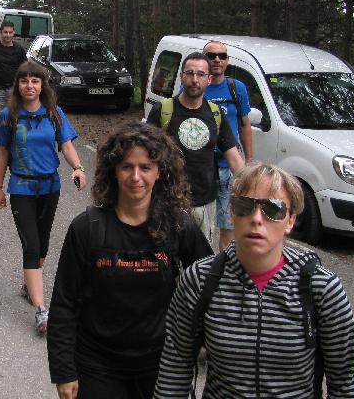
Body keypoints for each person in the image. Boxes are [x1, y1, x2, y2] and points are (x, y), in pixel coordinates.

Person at [154, 162, 354, 398]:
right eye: (244, 206)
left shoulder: (321, 288)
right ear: (231, 213)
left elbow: (345, 382)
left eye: (273, 209)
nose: (256, 218)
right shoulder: (200, 280)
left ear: (290, 221)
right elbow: (175, 366)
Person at [47, 122, 212, 399]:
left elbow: (212, 284)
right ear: (114, 170)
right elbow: (64, 303)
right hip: (97, 364)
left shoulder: (178, 226)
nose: (136, 177)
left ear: (160, 171)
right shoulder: (87, 228)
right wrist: (63, 370)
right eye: (126, 166)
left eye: (145, 167)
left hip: (163, 364)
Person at [0, 62, 87, 335]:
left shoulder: (54, 114)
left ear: (42, 86)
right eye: (24, 81)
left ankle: (28, 285)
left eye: (35, 81)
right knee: (31, 246)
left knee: (43, 244)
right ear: (18, 85)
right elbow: (2, 153)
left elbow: (66, 145)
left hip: (50, 187)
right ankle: (42, 310)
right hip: (21, 187)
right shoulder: (7, 116)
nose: (30, 86)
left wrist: (78, 168)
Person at [147, 51, 244, 247]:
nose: (194, 79)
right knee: (164, 262)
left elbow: (234, 159)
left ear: (209, 79)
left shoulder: (215, 114)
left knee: (200, 266)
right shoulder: (163, 110)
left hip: (204, 202)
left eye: (200, 74)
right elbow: (144, 155)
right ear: (181, 76)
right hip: (167, 202)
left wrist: (252, 189)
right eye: (189, 73)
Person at [203, 40, 253, 250]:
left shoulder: (236, 88)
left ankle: (222, 269)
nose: (217, 59)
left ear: (227, 60)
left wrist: (249, 162)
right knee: (201, 223)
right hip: (202, 167)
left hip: (229, 166)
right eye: (212, 55)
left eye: (222, 55)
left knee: (228, 225)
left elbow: (245, 125)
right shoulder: (195, 85)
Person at [0, 20, 27, 157]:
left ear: (13, 33)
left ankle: (11, 144)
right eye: (5, 32)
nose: (8, 35)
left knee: (15, 118)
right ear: (0, 32)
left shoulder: (19, 50)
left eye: (10, 32)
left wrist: (22, 88)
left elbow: (24, 70)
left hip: (14, 90)